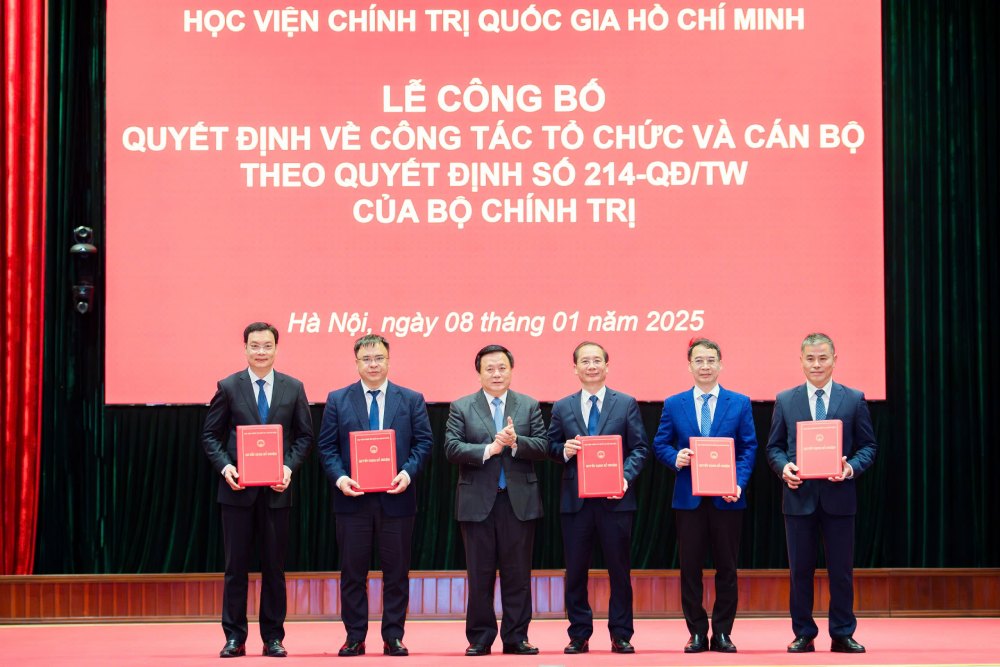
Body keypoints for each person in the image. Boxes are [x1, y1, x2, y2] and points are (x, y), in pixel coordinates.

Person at [316, 334, 433, 657]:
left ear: (388, 360)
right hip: (351, 502)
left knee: (396, 573)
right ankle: (355, 636)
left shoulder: (410, 399)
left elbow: (423, 443)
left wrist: (407, 473)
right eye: (366, 359)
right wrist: (340, 478)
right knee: (353, 573)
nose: (373, 364)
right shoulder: (338, 399)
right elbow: (326, 447)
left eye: (379, 358)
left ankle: (393, 635)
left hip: (397, 500)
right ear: (356, 363)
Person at [201, 321, 313, 658]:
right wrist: (226, 467)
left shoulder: (293, 388)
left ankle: (273, 637)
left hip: (277, 492)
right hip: (237, 492)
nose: (261, 352)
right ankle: (234, 637)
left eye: (267, 346)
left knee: (274, 569)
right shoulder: (228, 386)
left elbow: (305, 436)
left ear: (276, 349)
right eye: (255, 346)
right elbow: (210, 435)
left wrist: (288, 468)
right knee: (236, 568)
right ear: (245, 348)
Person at [766, 332, 877, 654]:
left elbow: (869, 446)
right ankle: (804, 632)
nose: (817, 364)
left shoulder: (854, 398)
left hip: (839, 498)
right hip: (799, 499)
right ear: (801, 361)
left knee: (841, 571)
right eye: (810, 359)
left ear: (834, 360)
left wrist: (851, 467)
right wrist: (783, 468)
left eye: (823, 358)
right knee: (800, 570)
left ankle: (842, 632)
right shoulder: (786, 399)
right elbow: (773, 447)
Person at [652, 337, 757, 653]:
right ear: (690, 365)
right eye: (699, 360)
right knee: (690, 569)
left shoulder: (739, 402)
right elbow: (660, 444)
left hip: (728, 499)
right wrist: (675, 458)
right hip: (689, 499)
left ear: (721, 364)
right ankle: (697, 631)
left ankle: (723, 632)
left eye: (711, 360)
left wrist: (738, 483)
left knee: (727, 567)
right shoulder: (674, 403)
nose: (705, 366)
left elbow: (749, 447)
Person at [444, 344, 548, 657]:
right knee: (480, 574)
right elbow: (451, 448)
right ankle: (480, 637)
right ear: (479, 373)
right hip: (477, 502)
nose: (496, 373)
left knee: (518, 574)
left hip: (519, 501)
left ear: (511, 370)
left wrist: (517, 442)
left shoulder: (528, 405)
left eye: (502, 367)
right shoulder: (461, 407)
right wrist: (489, 449)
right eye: (489, 368)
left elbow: (543, 446)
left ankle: (516, 637)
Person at [548, 341, 648, 655]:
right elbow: (550, 446)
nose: (591, 366)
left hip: (615, 500)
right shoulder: (562, 406)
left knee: (619, 570)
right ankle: (579, 633)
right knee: (575, 571)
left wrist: (624, 477)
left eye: (597, 361)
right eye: (585, 361)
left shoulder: (626, 403)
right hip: (575, 502)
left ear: (607, 366)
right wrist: (564, 449)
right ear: (574, 368)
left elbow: (640, 448)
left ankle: (621, 633)